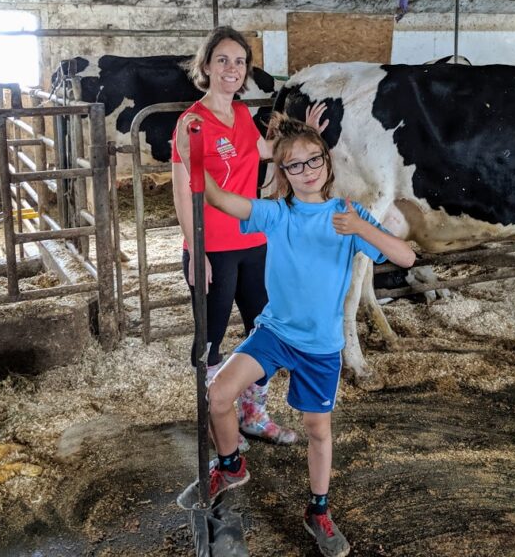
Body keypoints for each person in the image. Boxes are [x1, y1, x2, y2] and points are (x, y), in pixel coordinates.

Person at [175, 113, 416, 556]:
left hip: (321, 344)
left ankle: (318, 510)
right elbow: (221, 199)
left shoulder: (348, 214)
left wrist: (361, 228)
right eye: (294, 165)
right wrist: (194, 158)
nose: (306, 171)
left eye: (313, 161)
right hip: (275, 330)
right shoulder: (276, 213)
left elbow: (405, 258)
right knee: (218, 394)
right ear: (282, 174)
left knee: (317, 430)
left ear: (327, 162)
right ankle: (230, 465)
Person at [170, 26, 325, 446]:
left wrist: (304, 135)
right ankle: (217, 424)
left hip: (254, 242)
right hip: (214, 248)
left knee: (268, 331)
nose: (232, 69)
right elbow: (184, 191)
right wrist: (196, 250)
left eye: (239, 62)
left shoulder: (240, 114)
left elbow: (265, 152)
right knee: (212, 339)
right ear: (205, 66)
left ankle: (253, 414)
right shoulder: (191, 124)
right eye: (222, 60)